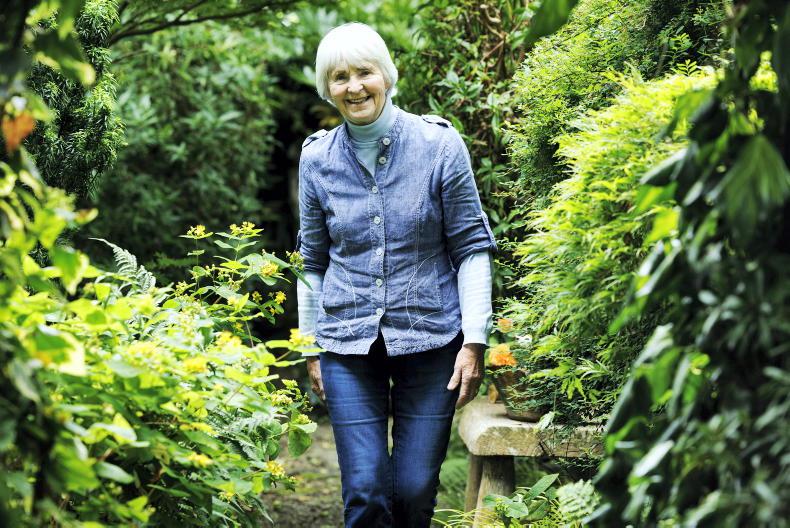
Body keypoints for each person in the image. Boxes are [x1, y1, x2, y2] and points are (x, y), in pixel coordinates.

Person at [295, 22, 498, 528]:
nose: (354, 87)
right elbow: (311, 261)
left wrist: (474, 341)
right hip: (345, 342)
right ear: (327, 88)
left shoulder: (439, 146)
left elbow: (472, 247)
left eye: (364, 72)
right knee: (365, 491)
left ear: (386, 75)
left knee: (413, 490)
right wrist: (309, 346)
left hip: (433, 338)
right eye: (339, 77)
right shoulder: (316, 159)